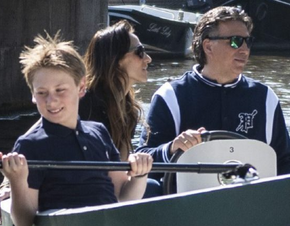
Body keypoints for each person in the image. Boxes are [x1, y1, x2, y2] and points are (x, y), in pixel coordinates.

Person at [0, 33, 153, 226]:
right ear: (33, 95)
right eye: (42, 93)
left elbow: (122, 196)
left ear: (81, 88)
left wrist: (140, 174)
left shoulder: (99, 133)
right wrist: (16, 181)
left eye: (60, 90)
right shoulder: (30, 145)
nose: (51, 101)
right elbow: (25, 222)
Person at [138, 6, 290, 177]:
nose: (244, 50)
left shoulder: (266, 98)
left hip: (252, 199)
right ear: (208, 47)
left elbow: (287, 162)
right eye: (235, 41)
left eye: (248, 41)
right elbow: (143, 159)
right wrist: (171, 148)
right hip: (189, 200)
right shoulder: (171, 96)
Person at [81, 21, 204, 197]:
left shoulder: (126, 108)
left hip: (110, 186)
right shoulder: (86, 104)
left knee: (156, 186)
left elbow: (121, 164)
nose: (148, 58)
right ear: (115, 60)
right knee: (154, 188)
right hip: (85, 192)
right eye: (140, 52)